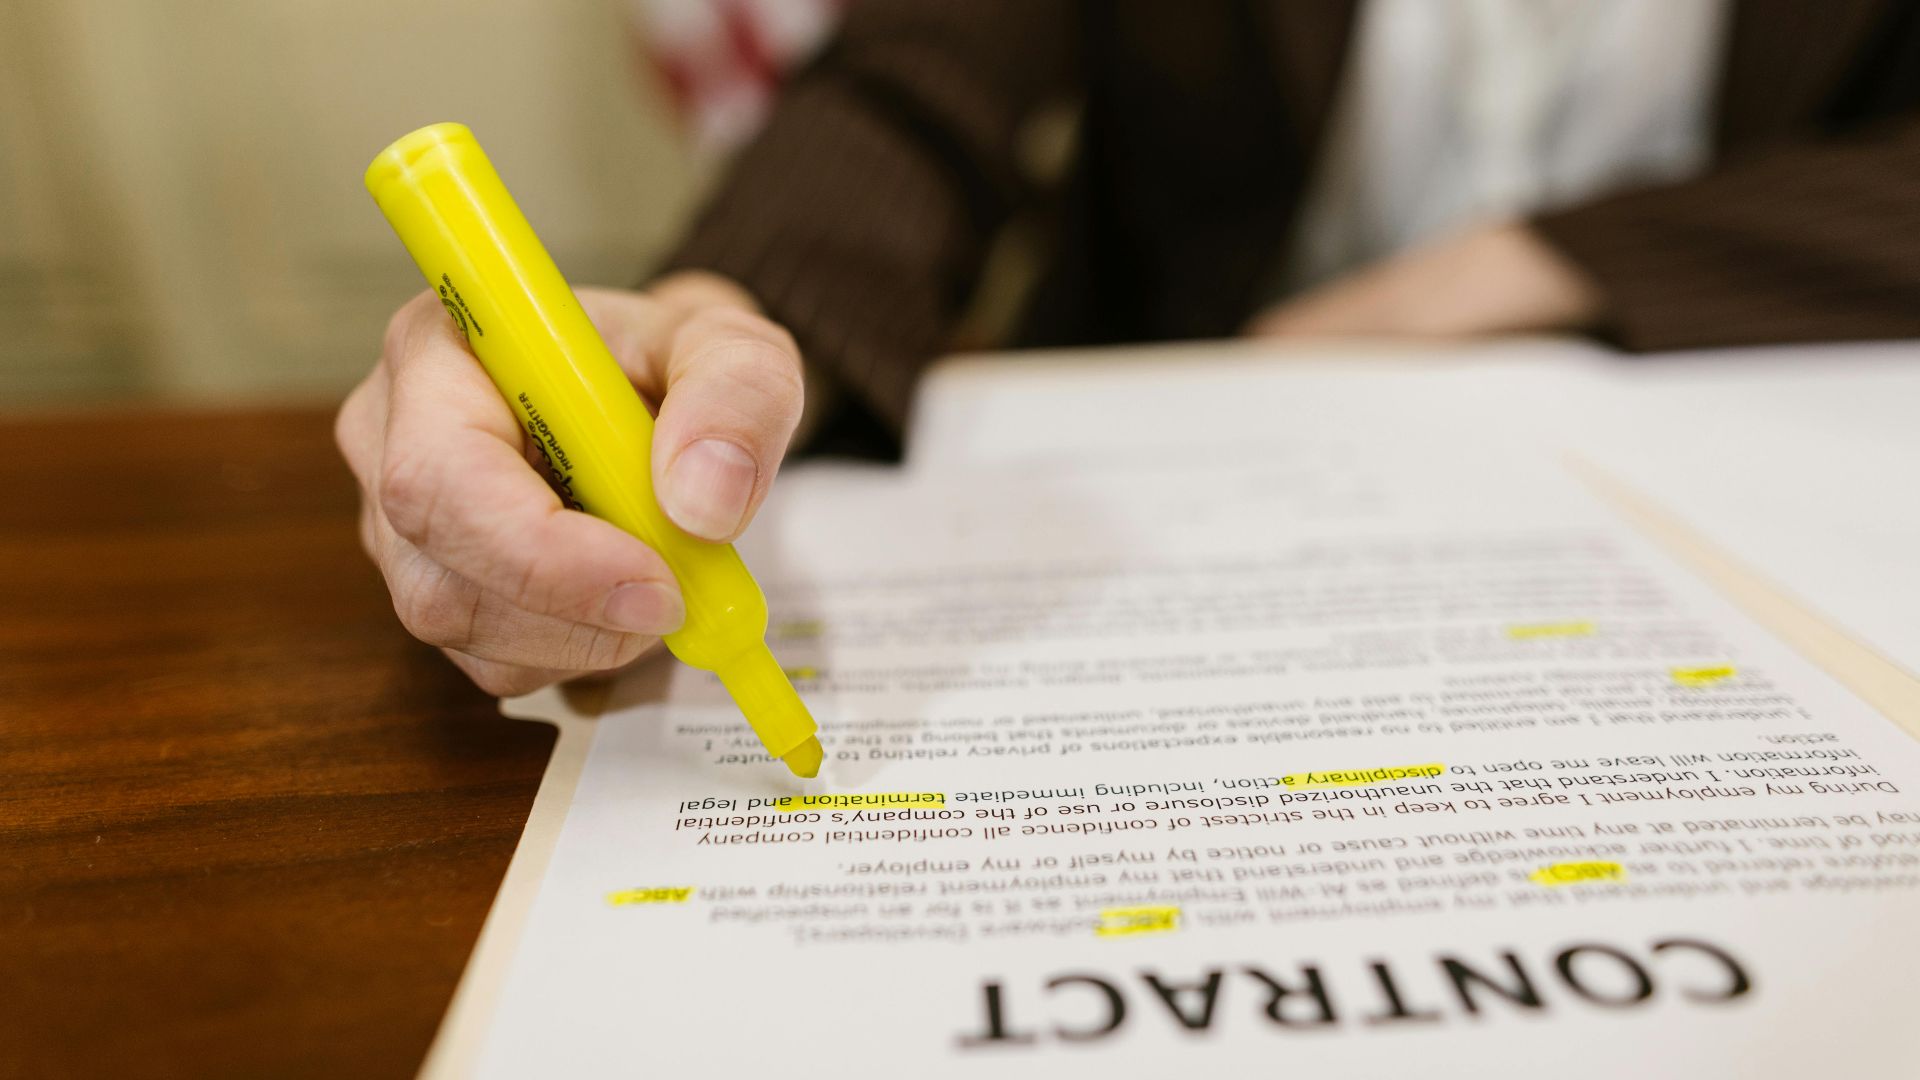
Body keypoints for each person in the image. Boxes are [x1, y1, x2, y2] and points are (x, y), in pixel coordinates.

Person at [336, 0, 1920, 695]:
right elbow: (911, 87)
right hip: (1168, 469)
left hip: (1743, 450)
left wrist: (1542, 262)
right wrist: (712, 320)